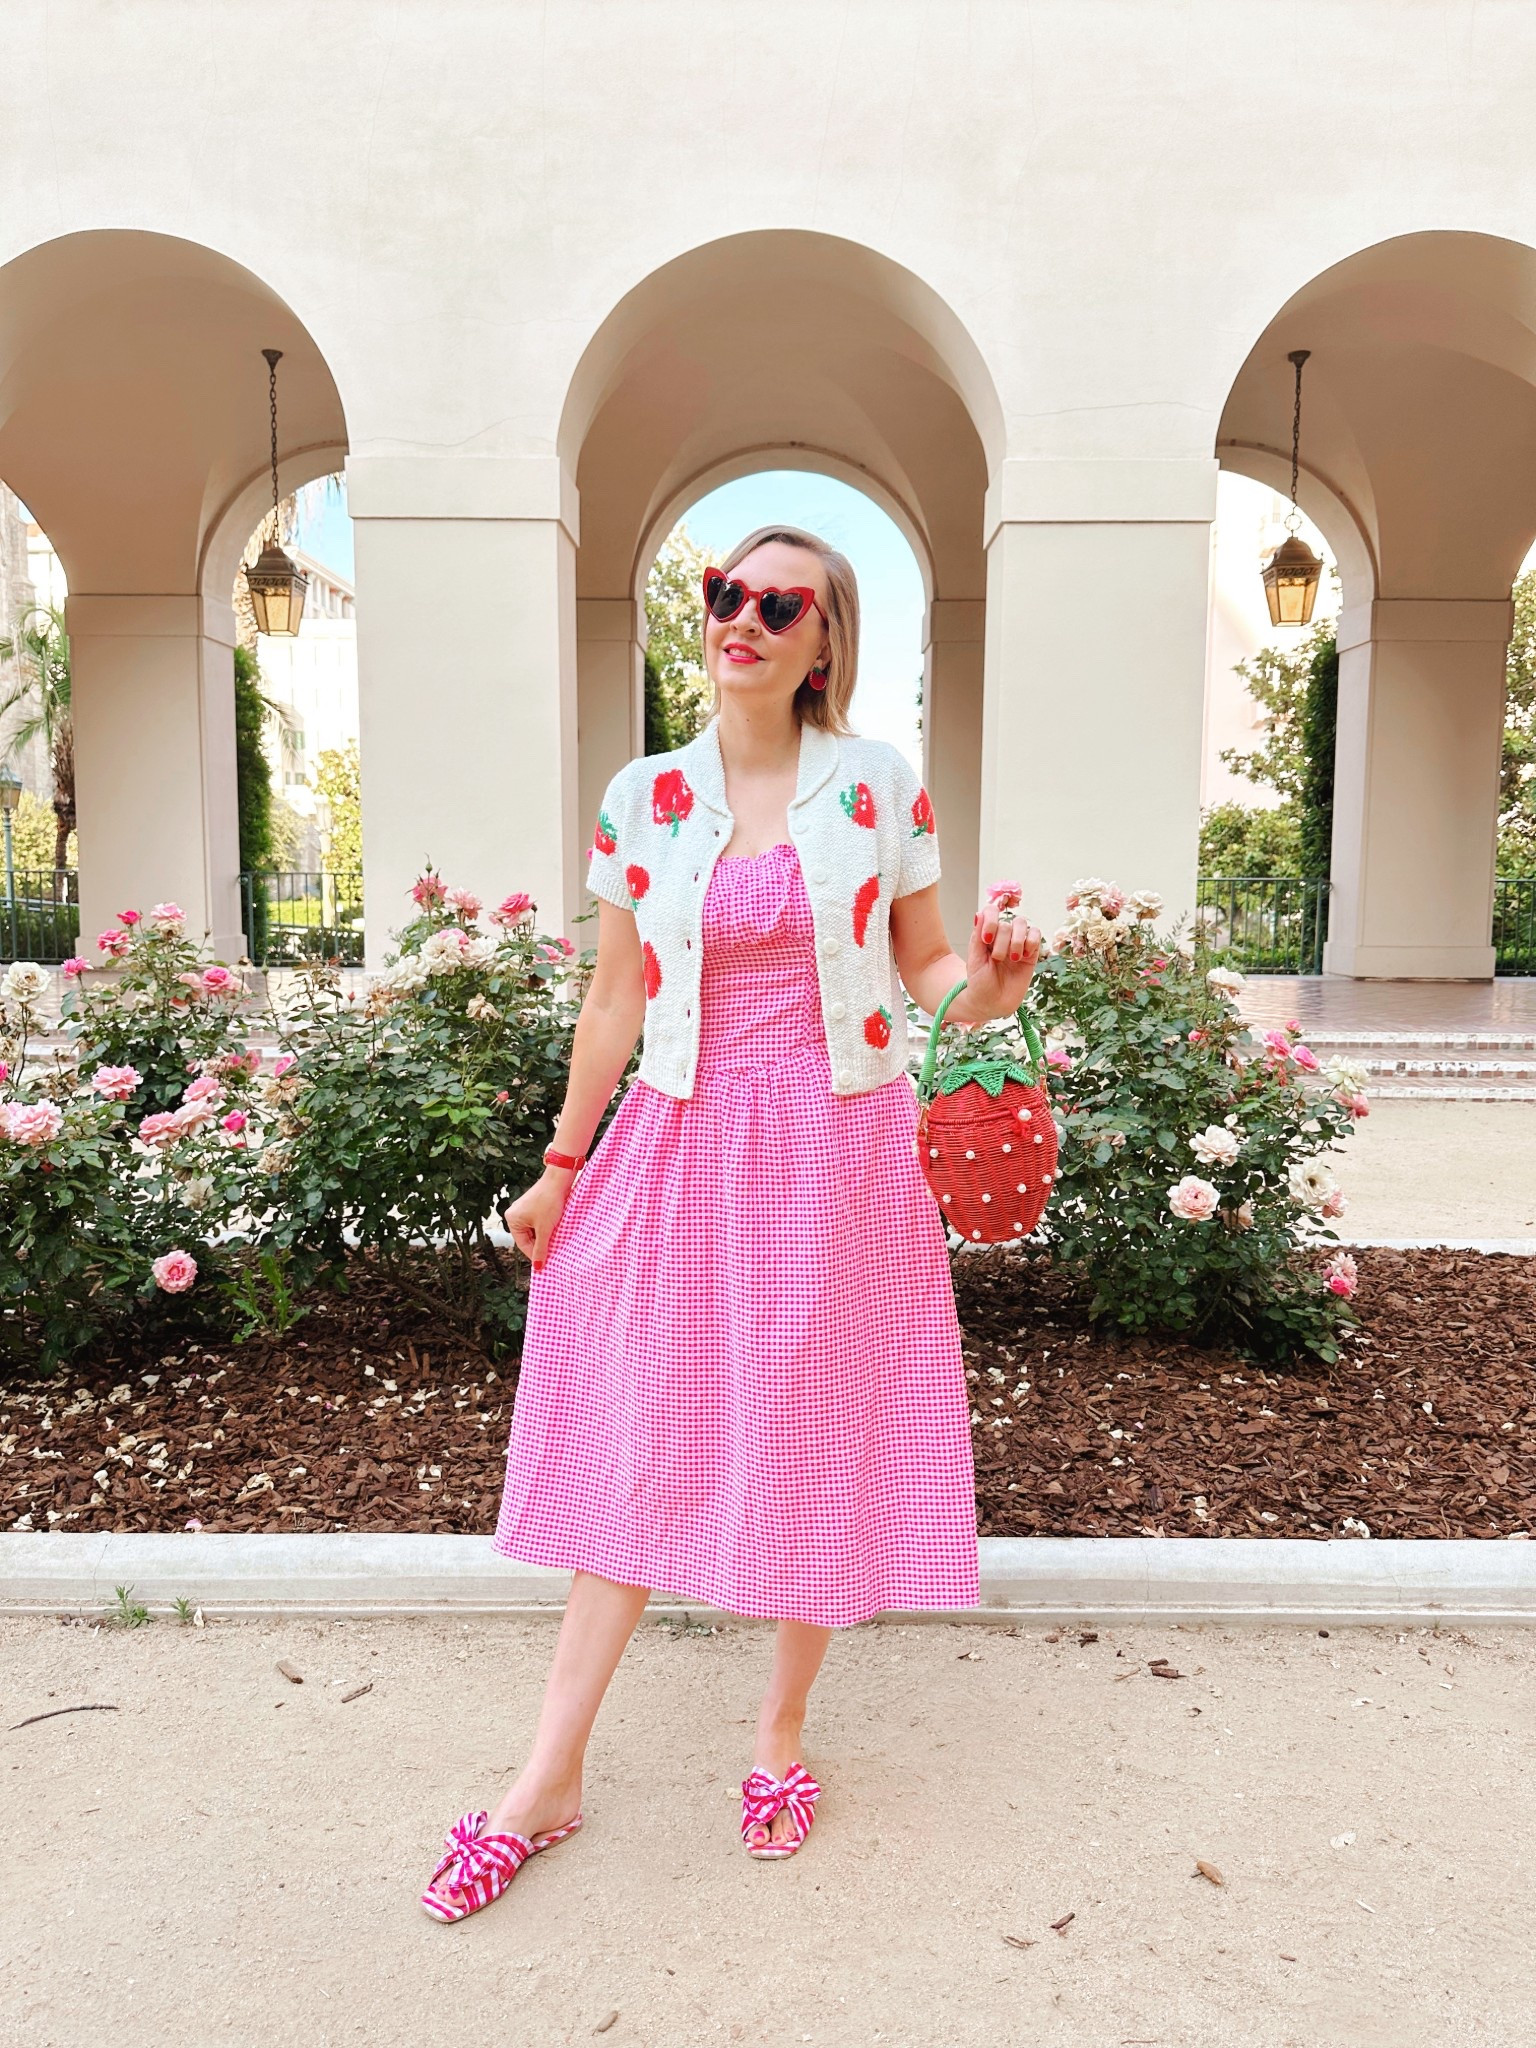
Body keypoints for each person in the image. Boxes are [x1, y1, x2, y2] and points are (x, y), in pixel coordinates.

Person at [420, 524, 1042, 1923]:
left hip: (839, 1145)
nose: (741, 618)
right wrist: (561, 1164)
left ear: (824, 641)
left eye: (778, 602)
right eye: (723, 594)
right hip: (683, 1135)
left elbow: (928, 965)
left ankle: (778, 1740)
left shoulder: (878, 786)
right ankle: (547, 1777)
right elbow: (614, 998)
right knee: (637, 1433)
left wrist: (989, 992)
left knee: (811, 1433)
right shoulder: (643, 796)